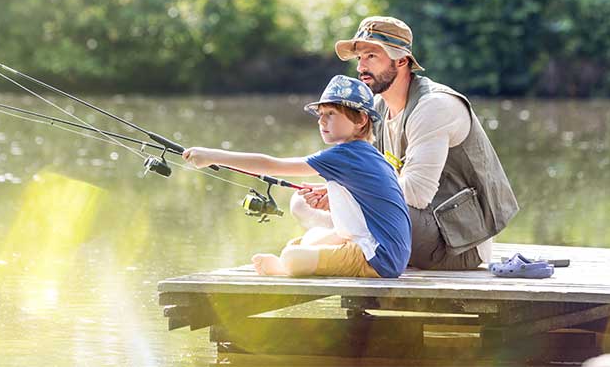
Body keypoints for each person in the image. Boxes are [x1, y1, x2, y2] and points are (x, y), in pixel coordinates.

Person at [296, 16, 519, 270]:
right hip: (410, 225)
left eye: (372, 56)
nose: (361, 68)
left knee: (343, 208)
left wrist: (351, 190)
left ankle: (330, 250)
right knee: (301, 204)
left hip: (456, 244)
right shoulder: (378, 108)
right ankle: (338, 248)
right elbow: (373, 175)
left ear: (401, 60)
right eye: (360, 58)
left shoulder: (433, 106)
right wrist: (339, 189)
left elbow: (416, 192)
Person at [183, 75, 411, 279]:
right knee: (311, 238)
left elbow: (272, 164)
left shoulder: (345, 154)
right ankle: (292, 260)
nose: (322, 121)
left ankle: (284, 267)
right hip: (385, 252)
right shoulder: (365, 153)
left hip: (378, 259)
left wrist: (212, 156)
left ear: (361, 120)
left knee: (293, 256)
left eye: (331, 114)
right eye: (320, 115)